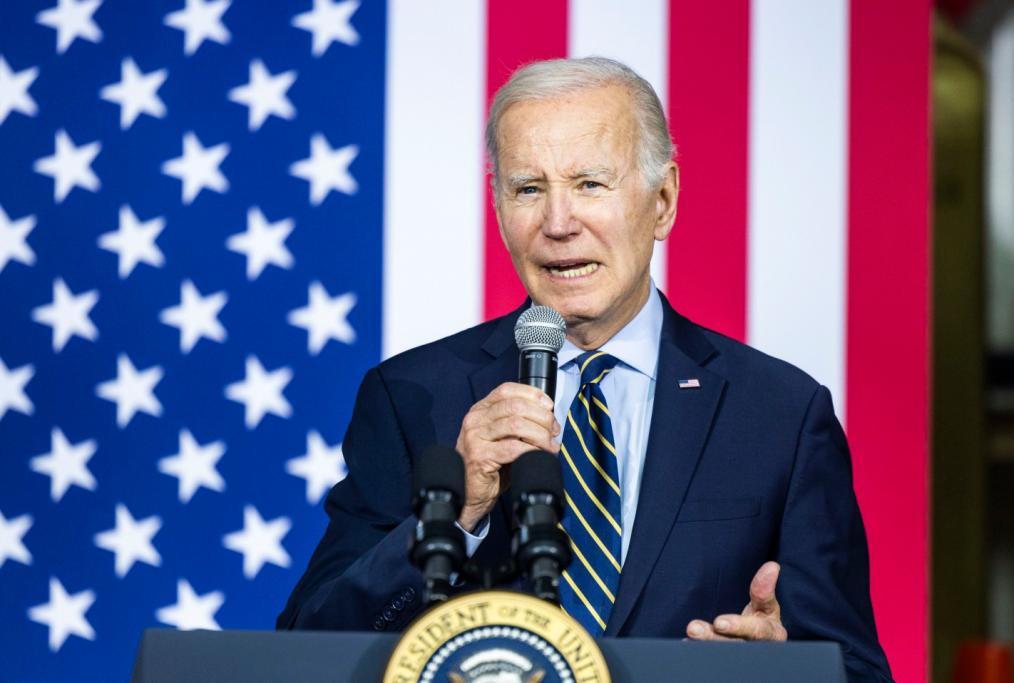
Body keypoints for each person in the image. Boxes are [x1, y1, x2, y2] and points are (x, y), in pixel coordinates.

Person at [278, 57, 893, 682]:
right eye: (528, 189)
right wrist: (454, 516)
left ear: (663, 202)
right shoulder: (411, 399)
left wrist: (783, 671)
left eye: (590, 184)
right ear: (497, 210)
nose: (558, 224)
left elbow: (857, 669)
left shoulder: (780, 414)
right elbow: (309, 646)